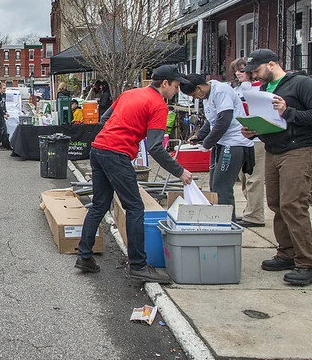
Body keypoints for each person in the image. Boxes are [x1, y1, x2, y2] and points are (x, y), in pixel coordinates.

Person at [76, 65, 194, 283]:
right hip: (117, 154)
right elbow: (156, 148)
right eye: (176, 86)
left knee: (100, 205)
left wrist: (121, 131)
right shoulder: (159, 105)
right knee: (135, 207)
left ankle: (84, 255)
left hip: (99, 149)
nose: (177, 91)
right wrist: (180, 171)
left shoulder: (129, 93)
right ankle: (138, 265)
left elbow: (105, 119)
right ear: (165, 83)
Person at [240, 49, 312, 286]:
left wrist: (287, 111)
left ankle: (308, 263)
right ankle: (287, 253)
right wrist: (253, 130)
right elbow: (272, 122)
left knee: (293, 204)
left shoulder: (300, 83)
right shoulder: (263, 90)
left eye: (258, 71)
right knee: (276, 203)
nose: (255, 76)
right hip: (274, 149)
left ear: (272, 64)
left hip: (298, 149)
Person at [182, 73, 254, 221]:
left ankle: (228, 223)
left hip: (234, 143)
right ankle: (220, 219)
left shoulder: (221, 91)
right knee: (214, 184)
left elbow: (224, 120)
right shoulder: (207, 96)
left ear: (199, 88)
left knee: (222, 186)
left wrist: (207, 143)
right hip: (221, 143)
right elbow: (212, 120)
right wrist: (200, 136)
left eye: (194, 95)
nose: (195, 98)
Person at [230, 57, 266, 227]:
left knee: (255, 177)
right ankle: (249, 210)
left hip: (258, 138)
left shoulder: (260, 88)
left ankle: (255, 215)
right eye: (236, 70)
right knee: (243, 177)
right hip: (241, 137)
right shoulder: (236, 90)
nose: (239, 73)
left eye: (242, 70)